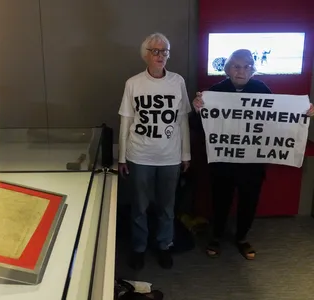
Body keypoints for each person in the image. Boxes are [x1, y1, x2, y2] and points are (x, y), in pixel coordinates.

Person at [192, 49, 314, 260]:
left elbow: (278, 118)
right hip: (224, 161)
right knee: (221, 200)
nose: (242, 70)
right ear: (228, 69)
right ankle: (217, 236)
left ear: (253, 70)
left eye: (247, 66)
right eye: (237, 66)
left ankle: (242, 238)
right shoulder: (215, 92)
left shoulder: (261, 89)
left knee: (249, 201)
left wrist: (303, 112)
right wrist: (196, 110)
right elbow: (196, 126)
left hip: (253, 163)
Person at [118, 32, 192, 270]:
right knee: (139, 206)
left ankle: (163, 245)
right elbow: (126, 122)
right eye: (156, 51)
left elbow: (182, 121)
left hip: (169, 157)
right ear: (146, 55)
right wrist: (121, 157)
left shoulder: (177, 81)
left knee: (166, 206)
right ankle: (138, 248)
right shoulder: (133, 83)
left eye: (165, 51)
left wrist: (186, 154)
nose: (161, 56)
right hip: (139, 155)